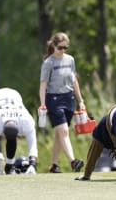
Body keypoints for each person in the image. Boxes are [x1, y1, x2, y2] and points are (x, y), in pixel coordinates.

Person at [39, 32, 84, 173]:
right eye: (60, 47)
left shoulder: (70, 60)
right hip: (53, 99)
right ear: (53, 45)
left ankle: (53, 165)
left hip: (68, 98)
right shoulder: (48, 63)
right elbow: (43, 85)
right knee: (64, 131)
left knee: (60, 134)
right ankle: (73, 161)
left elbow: (74, 81)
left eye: (65, 47)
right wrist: (42, 103)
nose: (63, 50)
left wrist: (80, 100)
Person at [0, 88, 38, 175]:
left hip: (15, 95)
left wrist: (33, 165)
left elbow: (33, 145)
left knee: (10, 138)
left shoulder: (26, 120)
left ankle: (9, 166)